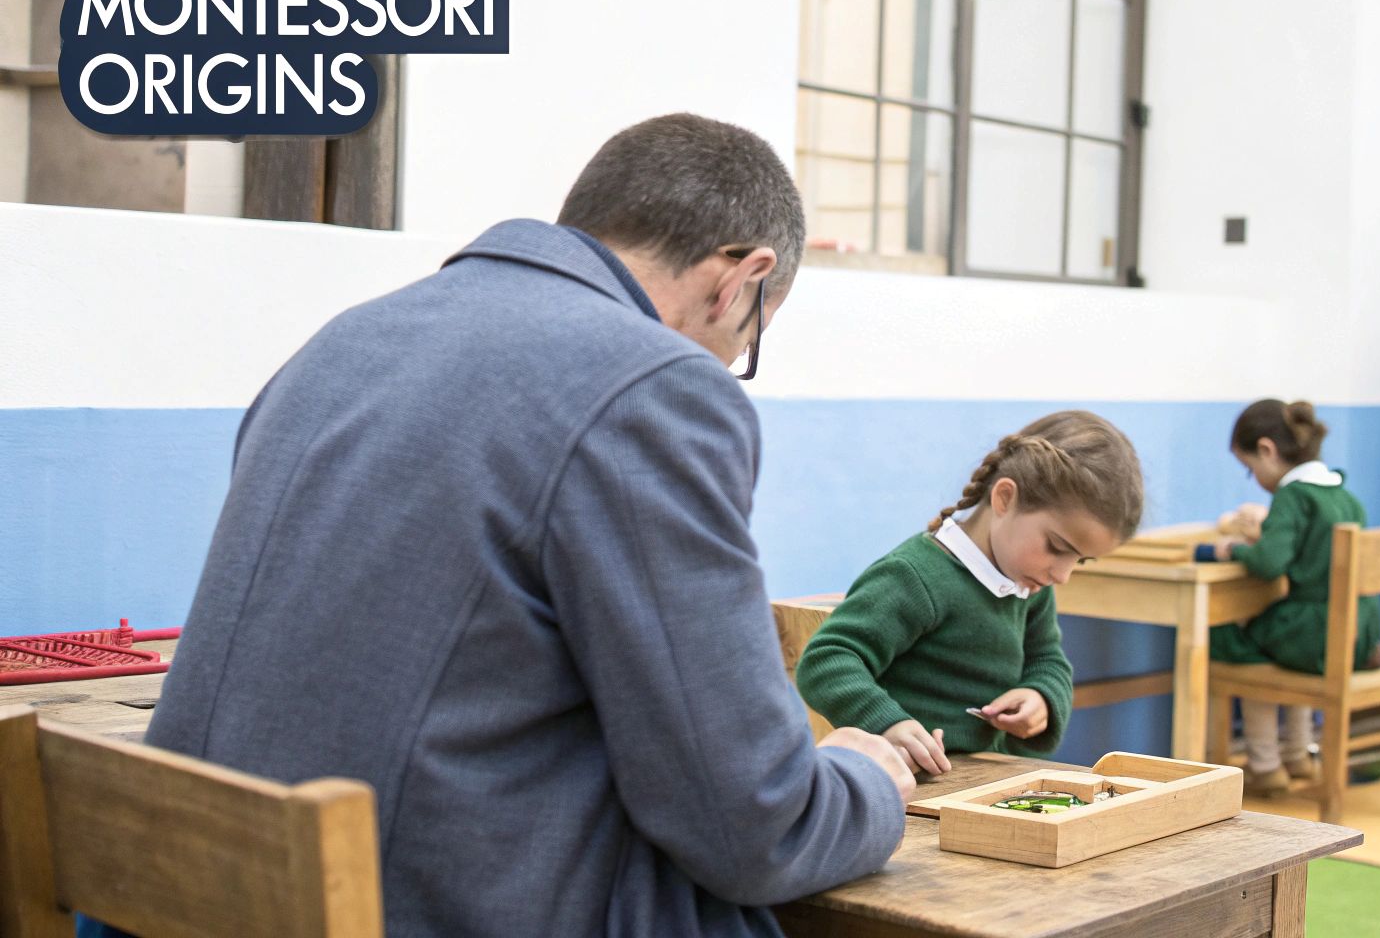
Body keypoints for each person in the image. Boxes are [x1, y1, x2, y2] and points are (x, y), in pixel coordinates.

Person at [121, 114, 914, 938]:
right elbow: (751, 825)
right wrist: (861, 782)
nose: (726, 366)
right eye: (746, 341)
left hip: (196, 895)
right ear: (742, 278)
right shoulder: (654, 387)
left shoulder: (345, 341)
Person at [794, 411, 1144, 775]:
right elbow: (827, 659)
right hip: (909, 787)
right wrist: (888, 724)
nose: (1063, 575)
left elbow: (1047, 660)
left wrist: (1041, 695)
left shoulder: (1029, 583)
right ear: (1005, 498)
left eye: (1081, 560)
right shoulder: (915, 576)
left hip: (988, 778)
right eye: (1056, 547)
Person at [1200, 400, 1379, 796]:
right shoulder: (1344, 495)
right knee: (1282, 653)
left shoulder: (1293, 496)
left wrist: (1233, 550)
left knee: (1234, 645)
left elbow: (1269, 563)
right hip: (1357, 630)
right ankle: (1298, 754)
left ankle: (1265, 766)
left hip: (1315, 632)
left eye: (1250, 468)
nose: (1254, 479)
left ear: (1267, 450)